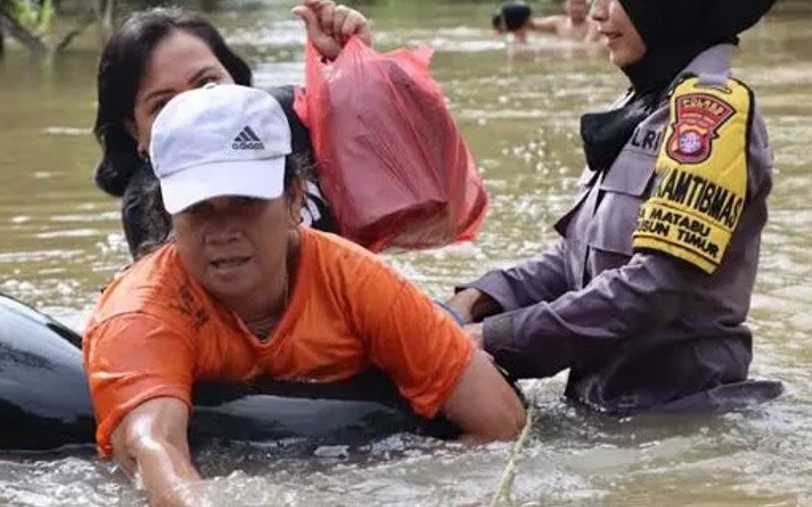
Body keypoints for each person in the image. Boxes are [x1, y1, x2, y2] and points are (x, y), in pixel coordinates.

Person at [84, 84, 526, 506]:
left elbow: (501, 422)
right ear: (166, 213)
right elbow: (152, 447)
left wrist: (380, 488)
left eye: (245, 201)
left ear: (294, 198)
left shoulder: (357, 282)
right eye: (199, 209)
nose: (224, 232)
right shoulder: (140, 311)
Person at [447, 0, 786, 415]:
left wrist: (493, 340)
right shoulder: (642, 106)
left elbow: (653, 287)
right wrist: (478, 300)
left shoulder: (710, 117)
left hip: (682, 420)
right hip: (610, 410)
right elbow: (581, 261)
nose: (598, 13)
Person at [92, 0, 366, 258]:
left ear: (237, 80)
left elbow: (389, 173)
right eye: (163, 104)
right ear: (135, 131)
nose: (198, 112)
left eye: (207, 83)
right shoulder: (148, 205)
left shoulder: (295, 115)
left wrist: (353, 74)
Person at [491, 0, 600, 43]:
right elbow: (528, 23)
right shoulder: (558, 22)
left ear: (587, 5)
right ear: (565, 5)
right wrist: (504, 25)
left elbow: (587, 47)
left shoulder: (594, 24)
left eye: (579, 3)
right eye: (572, 3)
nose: (576, 8)